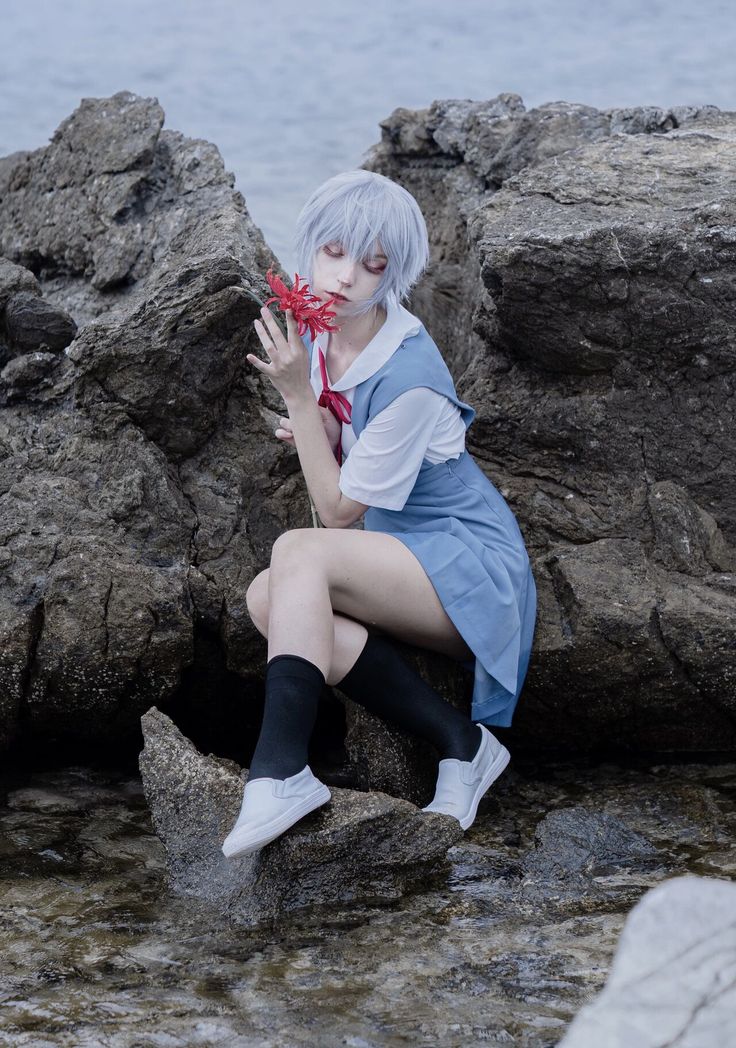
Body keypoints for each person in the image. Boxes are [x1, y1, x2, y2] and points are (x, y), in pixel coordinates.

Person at [222, 170, 536, 859]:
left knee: (299, 553)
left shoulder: (411, 376)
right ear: (309, 249)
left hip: (470, 567)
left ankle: (278, 772)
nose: (344, 280)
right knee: (267, 598)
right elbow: (337, 465)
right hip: (400, 550)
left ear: (394, 274)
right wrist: (323, 426)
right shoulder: (321, 335)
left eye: (373, 265)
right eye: (333, 253)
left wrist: (301, 404)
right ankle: (463, 744)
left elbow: (334, 514)